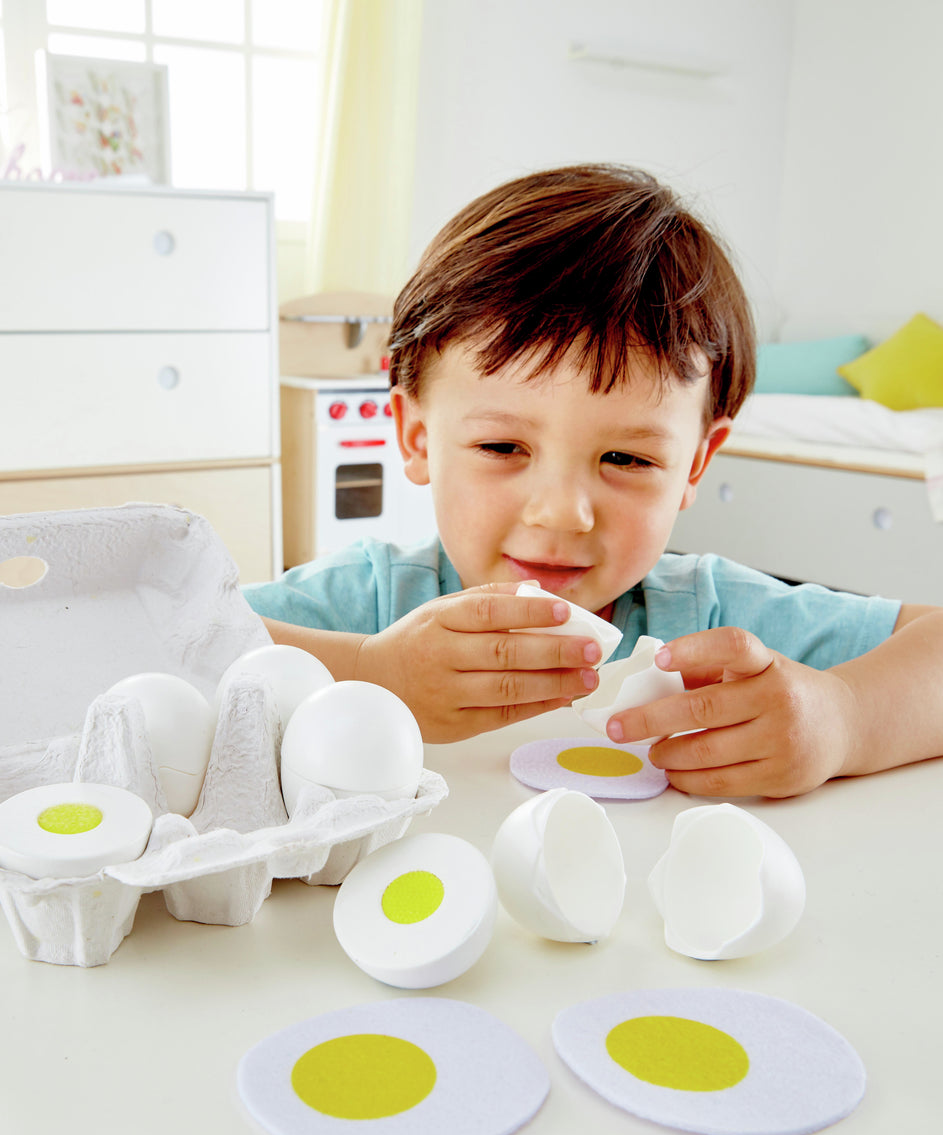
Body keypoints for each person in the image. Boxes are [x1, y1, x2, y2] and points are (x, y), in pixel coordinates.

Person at [245, 163, 943, 798]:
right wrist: (370, 671)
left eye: (626, 460)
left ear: (695, 462)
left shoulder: (711, 620)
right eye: (502, 445)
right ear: (416, 436)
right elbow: (157, 635)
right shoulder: (367, 603)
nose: (561, 514)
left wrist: (843, 717)